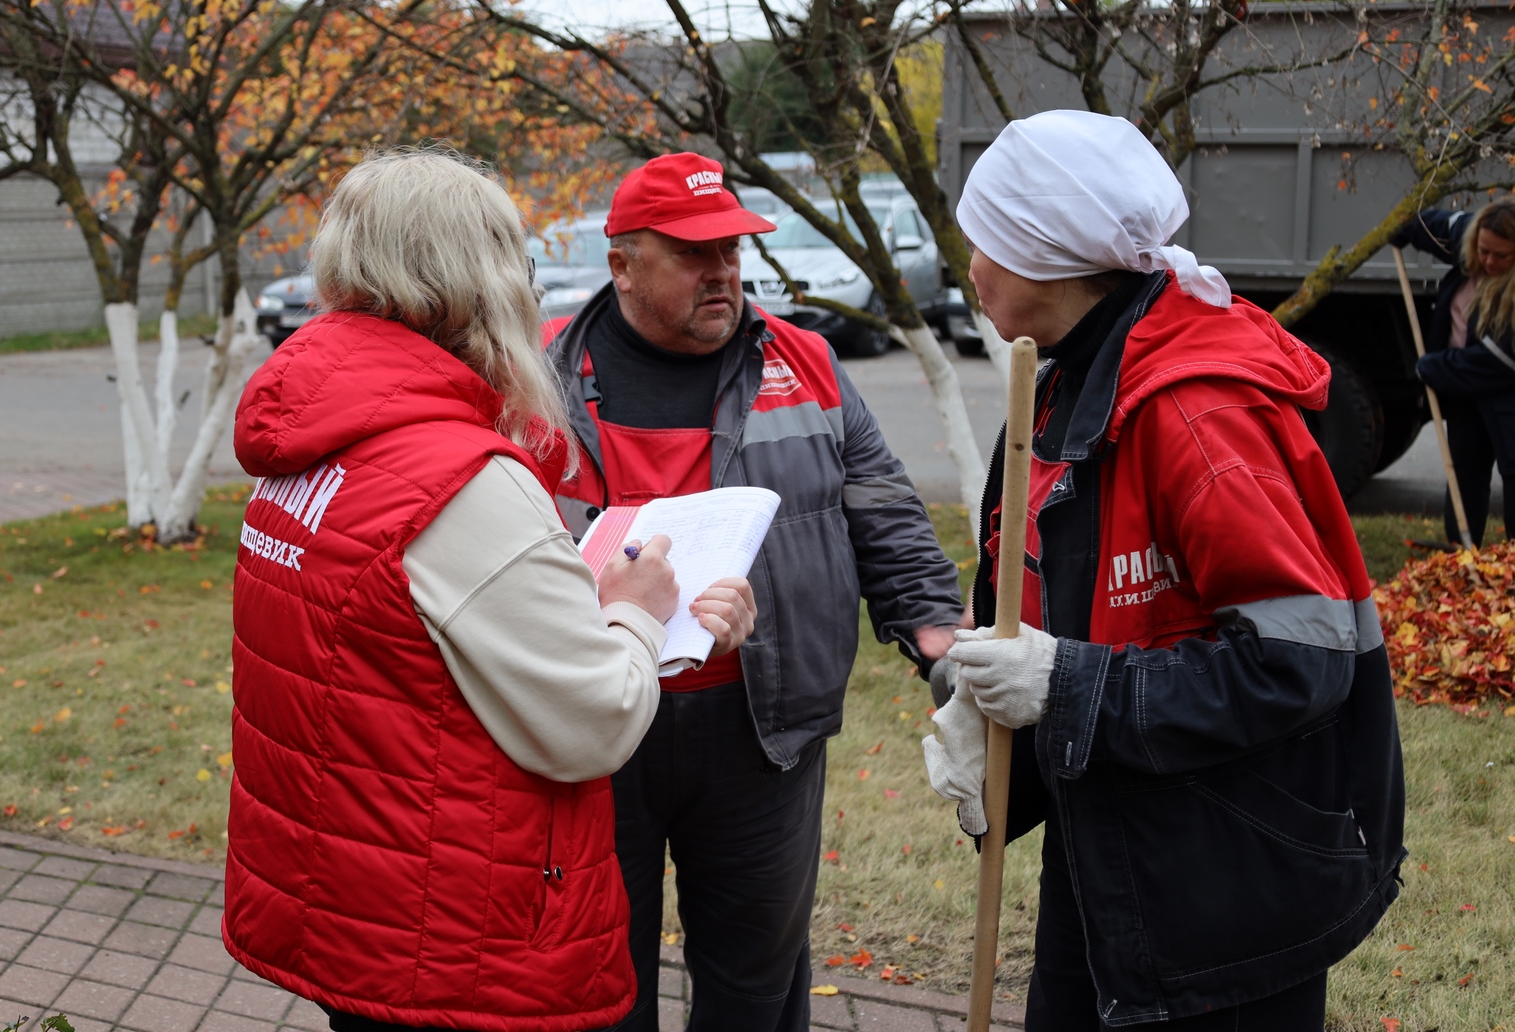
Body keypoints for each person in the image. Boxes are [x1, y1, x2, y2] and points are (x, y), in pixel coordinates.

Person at [221, 148, 756, 1032]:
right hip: (449, 933)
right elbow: (594, 722)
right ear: (480, 280)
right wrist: (634, 609)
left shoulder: (314, 434)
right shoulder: (459, 475)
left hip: (351, 896)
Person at [922, 111, 1406, 1030]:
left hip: (1226, 894)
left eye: (984, 243)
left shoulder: (1195, 417)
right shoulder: (1068, 380)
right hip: (1114, 852)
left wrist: (1063, 685)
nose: (970, 269)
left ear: (1044, 256)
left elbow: (1299, 663)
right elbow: (1071, 604)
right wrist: (987, 702)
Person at [544, 152, 964, 1032]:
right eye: (692, 253)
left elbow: (882, 507)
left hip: (760, 732)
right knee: (593, 982)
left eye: (731, 249)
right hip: (592, 730)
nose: (722, 271)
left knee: (756, 984)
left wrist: (932, 626)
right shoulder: (535, 376)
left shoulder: (805, 363)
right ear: (622, 265)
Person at [1398, 198, 1515, 543]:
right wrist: (1405, 229)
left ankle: (1511, 560)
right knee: (1464, 471)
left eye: (1502, 256)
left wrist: (1432, 367)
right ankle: (1461, 551)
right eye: (1483, 251)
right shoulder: (1470, 237)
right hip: (1463, 391)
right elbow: (1435, 226)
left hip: (1506, 393)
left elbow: (1498, 359)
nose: (1489, 262)